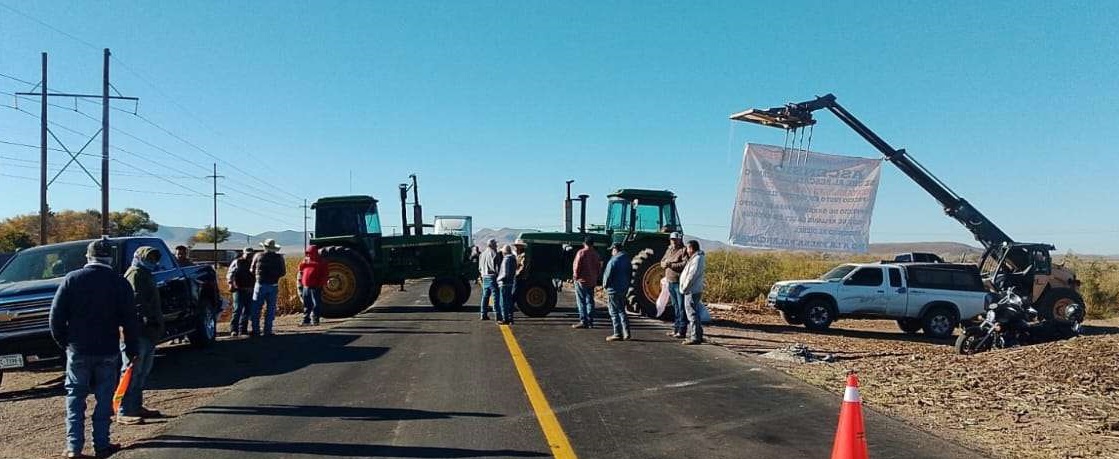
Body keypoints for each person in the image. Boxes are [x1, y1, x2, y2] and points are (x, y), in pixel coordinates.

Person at [48, 237, 140, 459]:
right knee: (104, 399)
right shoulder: (120, 282)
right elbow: (130, 321)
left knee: (75, 399)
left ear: (87, 256)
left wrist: (66, 343)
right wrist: (131, 349)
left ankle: (73, 448)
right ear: (110, 258)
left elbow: (55, 318)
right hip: (108, 349)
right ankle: (102, 445)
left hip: (78, 349)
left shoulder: (72, 279)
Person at [117, 246, 166, 425]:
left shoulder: (145, 274)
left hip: (149, 331)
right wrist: (145, 320)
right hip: (137, 331)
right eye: (149, 258)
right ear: (139, 257)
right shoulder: (135, 274)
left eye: (154, 258)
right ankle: (124, 410)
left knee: (142, 372)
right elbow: (136, 302)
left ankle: (136, 406)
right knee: (131, 371)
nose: (152, 261)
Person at [250, 239, 286, 337]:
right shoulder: (279, 258)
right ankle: (268, 331)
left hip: (260, 284)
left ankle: (255, 330)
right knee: (270, 309)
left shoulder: (257, 256)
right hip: (273, 285)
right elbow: (283, 272)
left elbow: (252, 269)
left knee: (256, 308)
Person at [660, 232, 689, 338]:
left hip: (679, 282)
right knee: (675, 306)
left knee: (681, 307)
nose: (673, 241)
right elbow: (662, 261)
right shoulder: (669, 250)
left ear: (679, 240)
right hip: (670, 282)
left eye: (675, 239)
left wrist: (671, 265)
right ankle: (676, 329)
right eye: (672, 239)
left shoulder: (683, 250)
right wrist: (664, 264)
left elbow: (684, 264)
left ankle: (682, 330)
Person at [602, 242, 632, 342]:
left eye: (612, 250)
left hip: (613, 289)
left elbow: (607, 275)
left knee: (614, 311)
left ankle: (617, 333)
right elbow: (630, 274)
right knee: (622, 310)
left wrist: (605, 286)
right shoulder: (627, 260)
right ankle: (626, 332)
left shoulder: (613, 260)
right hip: (623, 288)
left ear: (615, 249)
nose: (611, 252)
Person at [679, 240, 707, 345]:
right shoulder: (695, 258)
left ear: (691, 248)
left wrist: (685, 287)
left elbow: (692, 275)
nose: (686, 250)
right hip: (692, 289)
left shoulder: (697, 259)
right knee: (693, 312)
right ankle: (698, 334)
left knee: (691, 313)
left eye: (687, 248)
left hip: (691, 290)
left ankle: (694, 336)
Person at [571, 237, 601, 329]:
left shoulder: (581, 252)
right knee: (590, 301)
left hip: (581, 280)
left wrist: (575, 276)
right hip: (592, 280)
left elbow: (577, 266)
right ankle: (590, 321)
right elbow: (599, 268)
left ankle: (583, 321)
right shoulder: (596, 254)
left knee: (581, 301)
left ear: (584, 243)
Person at [226, 247, 256, 337]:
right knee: (237, 309)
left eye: (250, 254)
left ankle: (243, 329)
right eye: (247, 254)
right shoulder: (237, 262)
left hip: (250, 288)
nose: (249, 255)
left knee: (247, 310)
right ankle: (233, 329)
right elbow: (230, 273)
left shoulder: (253, 263)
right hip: (238, 289)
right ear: (244, 253)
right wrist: (230, 284)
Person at [297, 245, 327, 326]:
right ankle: (306, 320)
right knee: (307, 303)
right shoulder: (306, 261)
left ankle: (315, 319)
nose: (309, 255)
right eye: (308, 253)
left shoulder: (321, 262)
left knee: (316, 303)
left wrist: (320, 284)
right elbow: (300, 269)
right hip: (306, 286)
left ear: (315, 253)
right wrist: (303, 263)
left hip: (315, 286)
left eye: (310, 253)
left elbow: (324, 275)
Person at [477, 239, 501, 321]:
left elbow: (479, 268)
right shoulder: (494, 253)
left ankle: (483, 314)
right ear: (492, 245)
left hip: (484, 277)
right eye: (495, 245)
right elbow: (498, 267)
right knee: (495, 296)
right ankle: (498, 315)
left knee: (485, 296)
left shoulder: (482, 254)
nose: (497, 246)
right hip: (492, 277)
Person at [497, 245, 517, 325]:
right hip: (510, 282)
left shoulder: (506, 259)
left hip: (504, 283)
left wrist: (498, 279)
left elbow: (505, 273)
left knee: (503, 302)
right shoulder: (513, 259)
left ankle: (505, 319)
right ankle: (510, 318)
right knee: (509, 301)